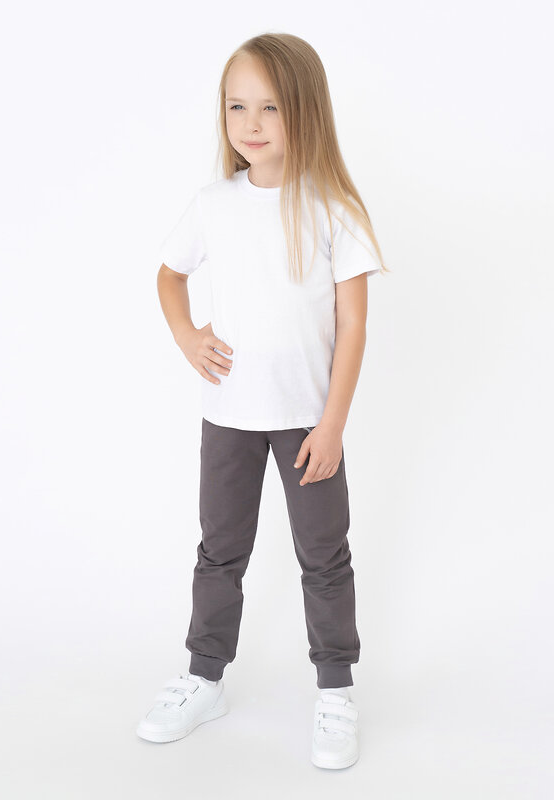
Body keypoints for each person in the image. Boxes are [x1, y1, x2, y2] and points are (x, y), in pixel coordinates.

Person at [136, 32, 389, 770]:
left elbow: (353, 325)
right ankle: (204, 677)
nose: (250, 123)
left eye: (270, 107)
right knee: (219, 552)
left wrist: (333, 424)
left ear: (304, 110)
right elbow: (168, 275)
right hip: (229, 417)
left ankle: (336, 689)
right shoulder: (213, 204)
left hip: (308, 422)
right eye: (236, 106)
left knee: (324, 556)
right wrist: (187, 336)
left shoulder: (333, 207)